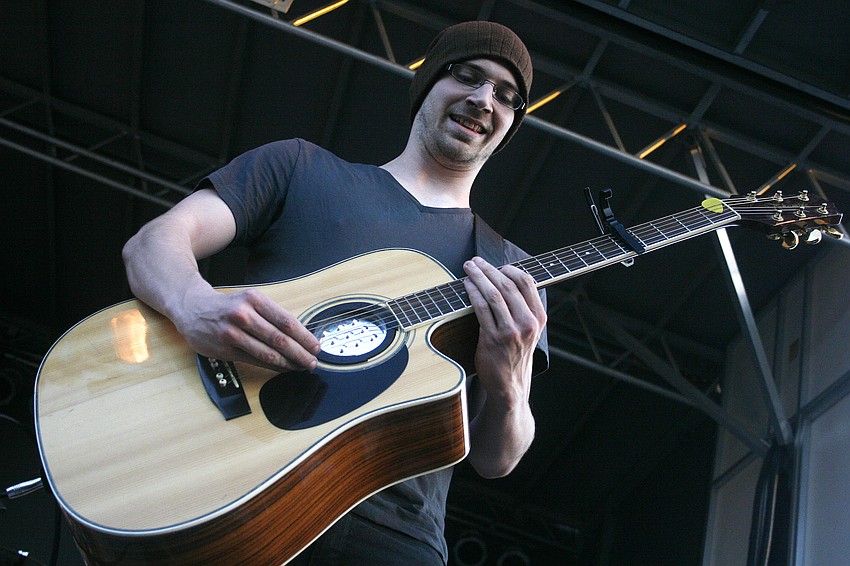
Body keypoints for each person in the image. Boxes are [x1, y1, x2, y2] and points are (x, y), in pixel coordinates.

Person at [122, 20, 548, 565]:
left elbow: (497, 459)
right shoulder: (299, 168)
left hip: (391, 536)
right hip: (233, 486)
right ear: (427, 85)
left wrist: (510, 384)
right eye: (468, 75)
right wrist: (191, 304)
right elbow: (156, 242)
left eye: (508, 98)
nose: (485, 99)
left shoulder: (509, 270)